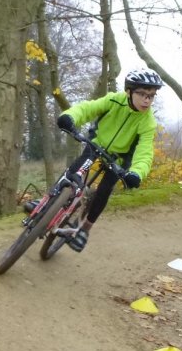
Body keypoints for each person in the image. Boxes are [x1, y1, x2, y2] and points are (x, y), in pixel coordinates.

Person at [54, 68, 163, 252]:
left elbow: (145, 152)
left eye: (152, 96)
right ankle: (50, 201)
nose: (147, 100)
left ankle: (84, 230)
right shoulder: (113, 100)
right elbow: (88, 108)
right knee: (77, 169)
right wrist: (69, 116)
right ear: (129, 91)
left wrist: (136, 173)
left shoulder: (148, 122)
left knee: (104, 190)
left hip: (119, 158)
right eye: (142, 94)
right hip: (98, 144)